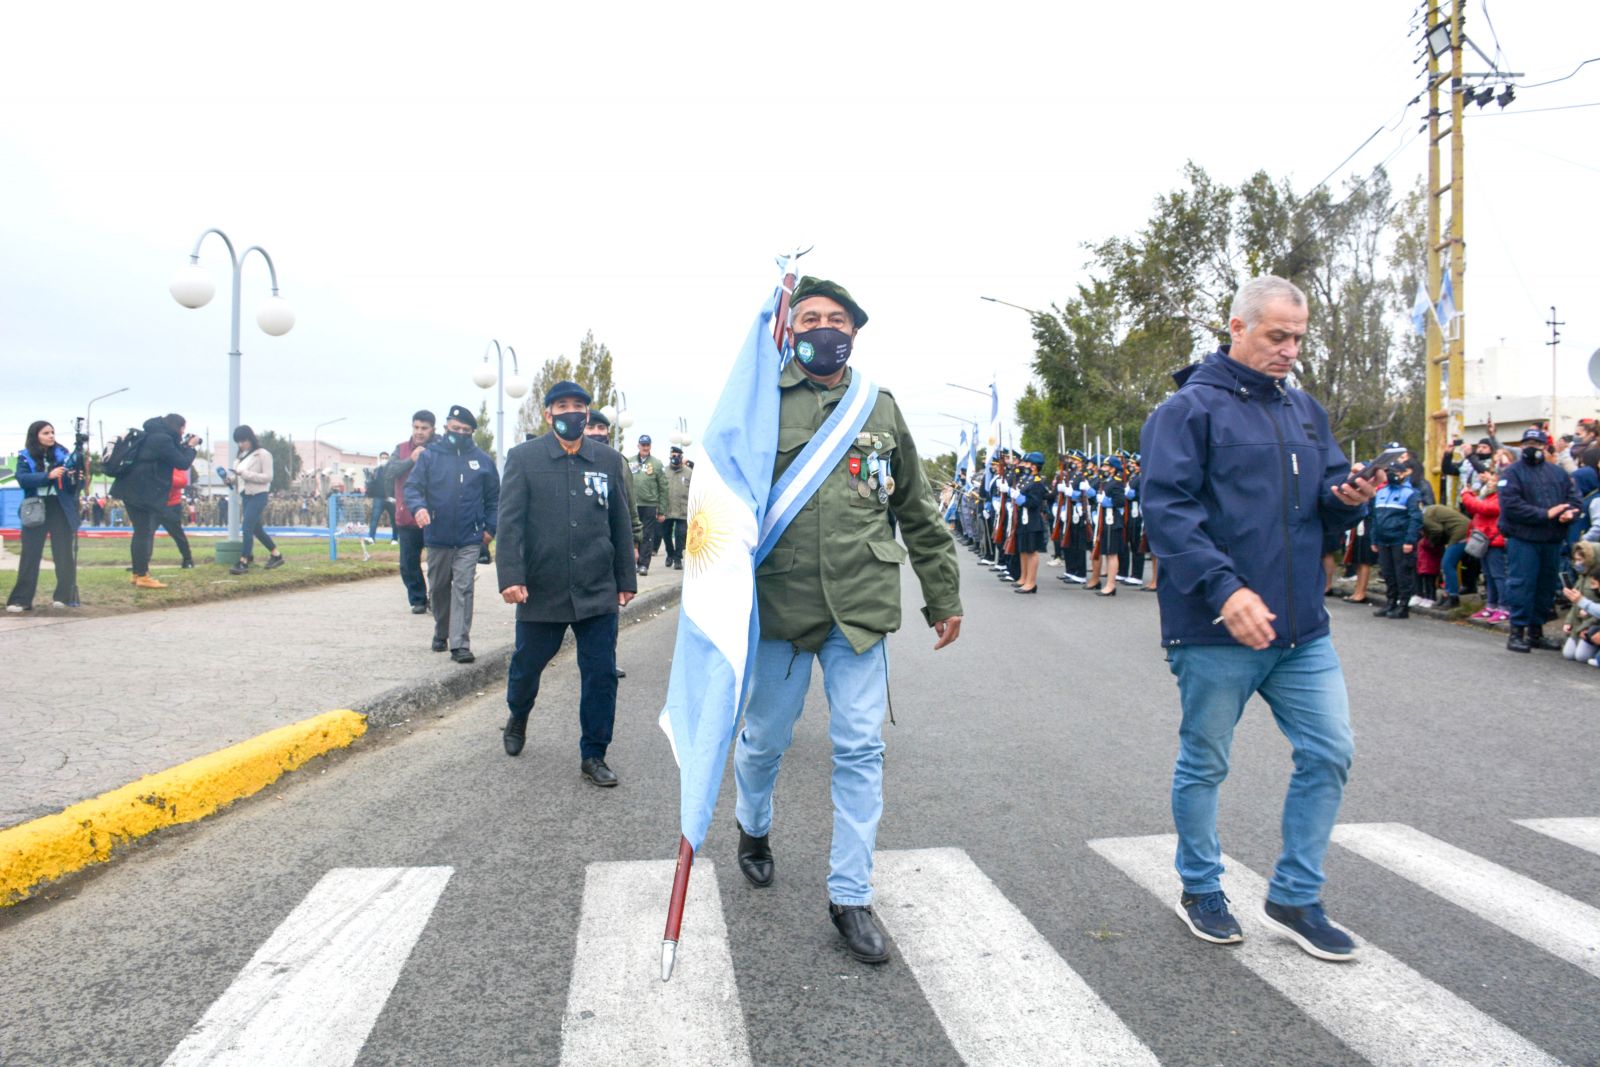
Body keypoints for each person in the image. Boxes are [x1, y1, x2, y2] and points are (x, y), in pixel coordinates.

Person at [1141, 276, 1377, 962]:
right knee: (1206, 760)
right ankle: (1201, 886)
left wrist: (1350, 496)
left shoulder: (1306, 411)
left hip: (1301, 629)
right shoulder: (1187, 412)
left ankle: (1296, 893)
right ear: (1237, 327)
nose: (1290, 350)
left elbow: (1325, 503)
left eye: (1299, 337)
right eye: (1278, 335)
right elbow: (1170, 513)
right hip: (1217, 625)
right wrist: (1224, 590)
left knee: (1331, 750)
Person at [731, 277, 963, 966]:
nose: (825, 327)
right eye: (811, 317)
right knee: (765, 739)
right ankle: (753, 826)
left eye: (837, 319)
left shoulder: (878, 408)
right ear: (789, 329)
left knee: (861, 748)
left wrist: (942, 594)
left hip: (859, 609)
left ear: (854, 333)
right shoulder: (759, 404)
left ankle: (850, 895)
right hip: (780, 606)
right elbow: (726, 499)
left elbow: (917, 508)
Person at [497, 382, 636, 784]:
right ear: (548, 414)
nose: (571, 412)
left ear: (588, 414)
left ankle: (594, 754)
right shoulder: (524, 458)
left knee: (601, 674)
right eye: (562, 406)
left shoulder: (608, 460)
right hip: (542, 588)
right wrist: (511, 576)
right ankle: (518, 713)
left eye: (578, 406)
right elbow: (509, 524)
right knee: (527, 665)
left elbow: (620, 523)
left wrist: (625, 578)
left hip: (597, 588)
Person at [405, 405, 499, 663]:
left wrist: (490, 529)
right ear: (446, 427)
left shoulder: (483, 461)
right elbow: (412, 488)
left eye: (465, 430)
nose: (459, 433)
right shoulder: (430, 456)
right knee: (438, 588)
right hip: (437, 535)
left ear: (472, 432)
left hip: (471, 537)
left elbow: (494, 499)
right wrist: (419, 508)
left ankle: (460, 644)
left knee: (464, 587)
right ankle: (441, 630)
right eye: (455, 428)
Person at [1498, 427, 1582, 653]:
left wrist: (1569, 514)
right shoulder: (1512, 473)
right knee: (1522, 584)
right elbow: (1511, 506)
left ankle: (1536, 632)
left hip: (1552, 539)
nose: (1532, 448)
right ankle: (1517, 632)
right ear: (1522, 446)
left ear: (1545, 447)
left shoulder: (1558, 473)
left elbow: (1574, 500)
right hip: (1524, 538)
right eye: (1528, 444)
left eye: (1537, 444)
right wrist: (1545, 514)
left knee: (1545, 587)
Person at [111, 414, 199, 590]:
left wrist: (182, 447)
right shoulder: (162, 439)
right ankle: (143, 576)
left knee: (140, 532)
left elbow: (170, 456)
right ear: (177, 427)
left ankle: (137, 573)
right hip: (143, 492)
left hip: (130, 488)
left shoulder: (151, 435)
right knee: (143, 532)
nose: (183, 432)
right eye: (183, 428)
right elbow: (182, 463)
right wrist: (191, 447)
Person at [5, 420, 82, 612]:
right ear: (35, 435)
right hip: (36, 507)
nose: (51, 436)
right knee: (30, 554)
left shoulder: (64, 455)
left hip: (60, 507)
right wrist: (47, 475)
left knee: (63, 553)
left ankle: (65, 597)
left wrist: (76, 479)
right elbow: (22, 479)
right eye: (46, 433)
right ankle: (21, 600)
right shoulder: (24, 457)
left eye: (52, 432)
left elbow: (72, 488)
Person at [386, 411, 437, 614]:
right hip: (407, 517)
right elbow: (389, 472)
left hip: (434, 517)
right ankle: (418, 599)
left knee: (438, 563)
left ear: (432, 429)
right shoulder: (401, 449)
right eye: (416, 427)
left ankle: (437, 598)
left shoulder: (440, 449)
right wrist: (411, 460)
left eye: (424, 428)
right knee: (408, 564)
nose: (419, 432)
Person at [223, 425, 285, 576]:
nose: (240, 444)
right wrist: (231, 480)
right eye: (238, 441)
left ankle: (244, 561)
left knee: (247, 527)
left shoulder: (263, 454)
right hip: (245, 495)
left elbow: (268, 477)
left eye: (243, 440)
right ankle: (276, 555)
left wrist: (245, 474)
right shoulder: (239, 458)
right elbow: (239, 478)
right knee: (256, 528)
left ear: (250, 438)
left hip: (259, 494)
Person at [1370, 463, 1422, 620]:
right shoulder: (1380, 492)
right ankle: (1391, 602)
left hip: (1400, 540)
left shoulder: (1410, 493)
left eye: (1395, 472)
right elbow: (1375, 518)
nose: (1391, 475)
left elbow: (1416, 518)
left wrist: (1410, 541)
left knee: (1402, 574)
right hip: (1383, 540)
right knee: (1388, 573)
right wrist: (1374, 539)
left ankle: (1403, 605)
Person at [1461, 466, 1509, 622]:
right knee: (1488, 575)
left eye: (1494, 480)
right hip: (1484, 539)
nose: (1490, 482)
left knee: (1498, 575)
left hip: (1495, 540)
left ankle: (1504, 607)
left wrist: (1467, 495)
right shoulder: (1488, 495)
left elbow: (1484, 509)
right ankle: (1491, 605)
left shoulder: (1501, 497)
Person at [629, 434, 669, 575]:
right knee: (632, 534)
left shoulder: (657, 464)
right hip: (632, 504)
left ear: (650, 446)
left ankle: (644, 564)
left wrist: (662, 510)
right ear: (638, 445)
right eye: (643, 445)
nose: (645, 447)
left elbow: (663, 487)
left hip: (650, 505)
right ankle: (632, 563)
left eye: (647, 445)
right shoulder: (630, 461)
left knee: (647, 535)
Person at [1010, 451, 1048, 593]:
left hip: (1032, 520)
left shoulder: (1037, 482)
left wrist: (1020, 498)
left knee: (1031, 551)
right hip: (1023, 518)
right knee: (1023, 550)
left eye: (1026, 463)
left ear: (1034, 466)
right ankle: (1023, 577)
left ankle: (1031, 582)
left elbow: (1035, 502)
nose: (1023, 465)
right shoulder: (1026, 479)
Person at [1559, 540, 1600, 665]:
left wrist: (1586, 626)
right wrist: (1569, 622)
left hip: (1591, 623)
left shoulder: (1596, 578)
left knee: (1581, 656)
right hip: (1578, 624)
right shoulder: (1581, 578)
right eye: (1576, 559)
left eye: (1581, 560)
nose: (1578, 563)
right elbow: (1574, 606)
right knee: (1568, 654)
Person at [661, 444, 692, 569]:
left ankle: (678, 558)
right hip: (667, 509)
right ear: (670, 456)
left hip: (682, 509)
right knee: (666, 534)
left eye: (678, 456)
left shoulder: (689, 473)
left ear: (682, 457)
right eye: (673, 456)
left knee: (680, 535)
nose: (676, 458)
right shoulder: (664, 471)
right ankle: (670, 554)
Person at [160, 464, 196, 569]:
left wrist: (164, 477)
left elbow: (182, 481)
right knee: (146, 534)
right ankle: (141, 564)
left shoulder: (174, 465)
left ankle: (187, 559)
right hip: (154, 504)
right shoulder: (151, 464)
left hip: (171, 506)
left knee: (178, 534)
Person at [365, 451, 396, 540]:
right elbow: (371, 484)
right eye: (382, 458)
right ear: (379, 459)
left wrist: (394, 497)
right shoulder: (375, 471)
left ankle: (394, 539)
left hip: (391, 498)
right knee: (374, 519)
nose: (384, 460)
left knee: (394, 520)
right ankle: (371, 538)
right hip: (378, 498)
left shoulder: (393, 470)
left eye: (386, 458)